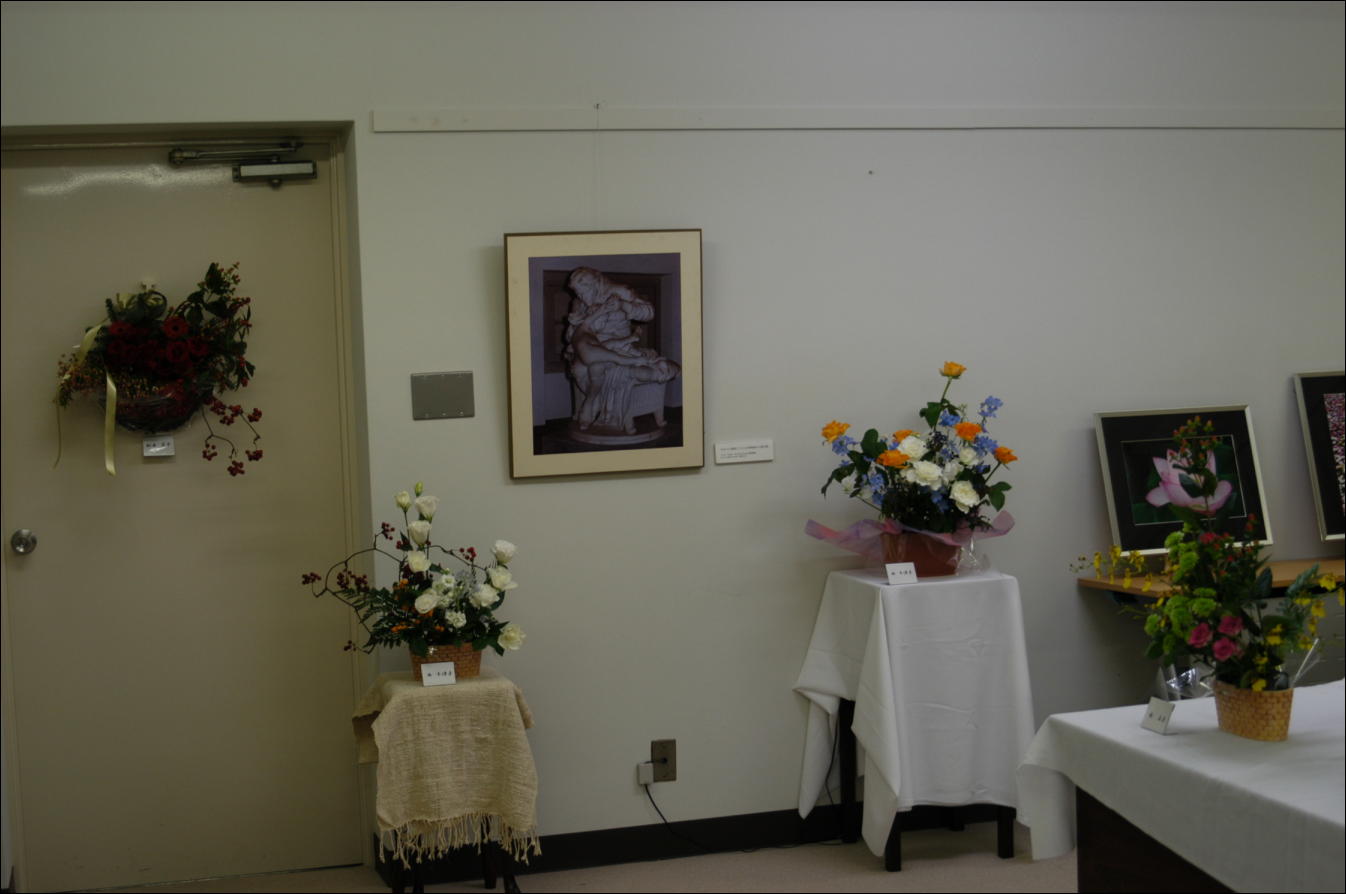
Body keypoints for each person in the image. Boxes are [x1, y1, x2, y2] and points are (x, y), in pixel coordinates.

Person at [563, 267, 679, 434]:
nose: (581, 297)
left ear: (595, 283)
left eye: (583, 292)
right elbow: (572, 336)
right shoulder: (578, 303)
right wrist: (578, 321)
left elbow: (648, 312)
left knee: (602, 366)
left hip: (620, 347)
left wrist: (624, 305)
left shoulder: (621, 292)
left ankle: (594, 403)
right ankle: (595, 402)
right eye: (577, 293)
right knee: (582, 368)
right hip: (592, 347)